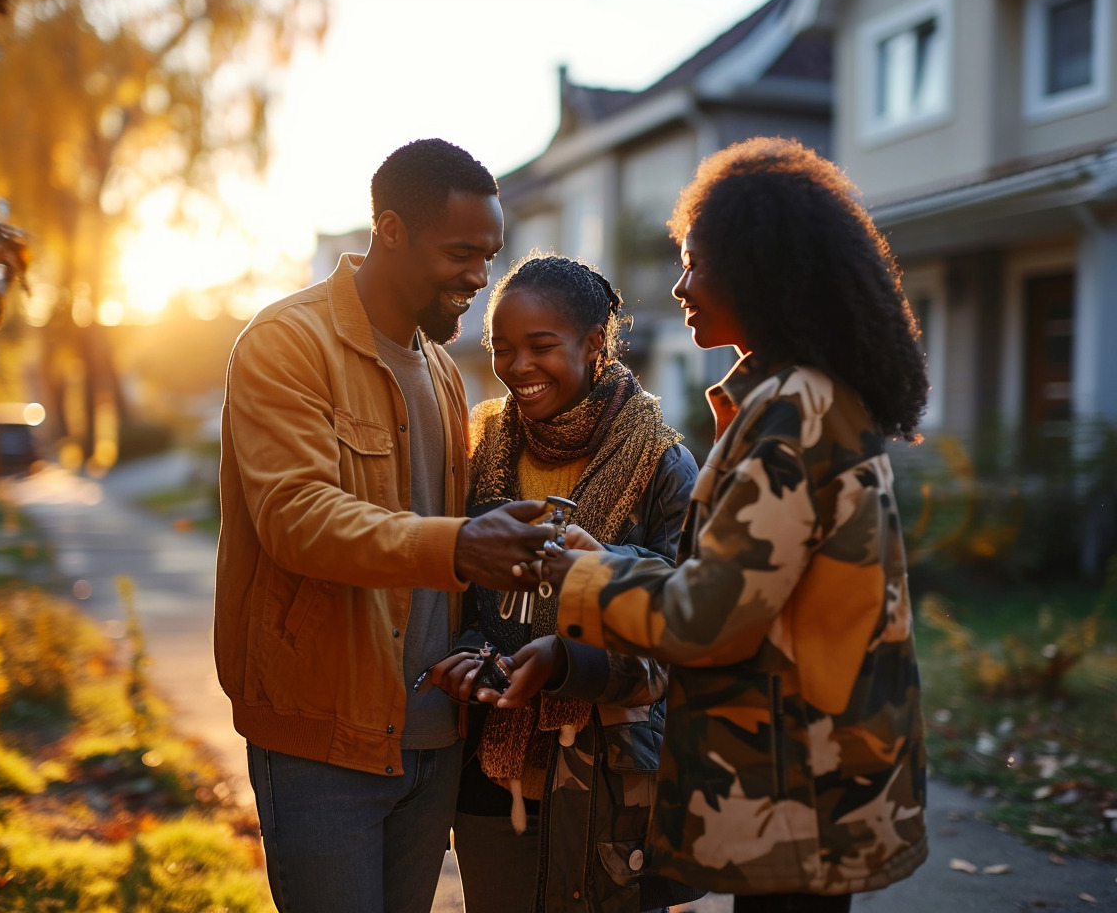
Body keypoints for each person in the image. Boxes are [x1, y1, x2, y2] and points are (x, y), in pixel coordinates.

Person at [533, 138, 931, 913]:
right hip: (811, 788)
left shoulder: (795, 411)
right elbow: (737, 587)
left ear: (761, 269)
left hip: (800, 796)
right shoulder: (808, 398)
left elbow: (708, 620)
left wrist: (580, 575)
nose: (680, 285)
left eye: (696, 262)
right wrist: (605, 559)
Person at [213, 138, 557, 913]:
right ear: (391, 230)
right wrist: (461, 546)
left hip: (435, 738)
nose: (481, 278)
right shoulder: (284, 343)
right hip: (322, 738)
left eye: (490, 255)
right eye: (463, 253)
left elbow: (432, 533)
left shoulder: (440, 369)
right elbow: (296, 520)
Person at [423, 253, 703, 913]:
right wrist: (467, 650)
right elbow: (452, 584)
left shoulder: (663, 464)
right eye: (503, 348)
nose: (518, 366)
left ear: (594, 343)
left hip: (610, 781)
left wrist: (565, 663)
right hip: (491, 780)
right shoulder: (479, 444)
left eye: (541, 346)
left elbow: (688, 633)